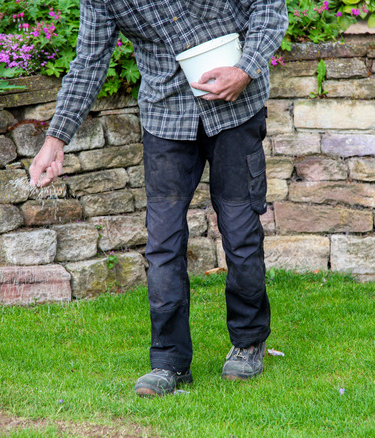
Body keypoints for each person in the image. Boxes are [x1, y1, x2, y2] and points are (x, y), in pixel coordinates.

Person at [29, 0, 288, 397]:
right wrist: (55, 140)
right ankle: (169, 362)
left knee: (240, 231)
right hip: (166, 117)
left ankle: (249, 342)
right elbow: (89, 63)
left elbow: (269, 8)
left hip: (237, 110)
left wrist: (245, 68)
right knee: (163, 242)